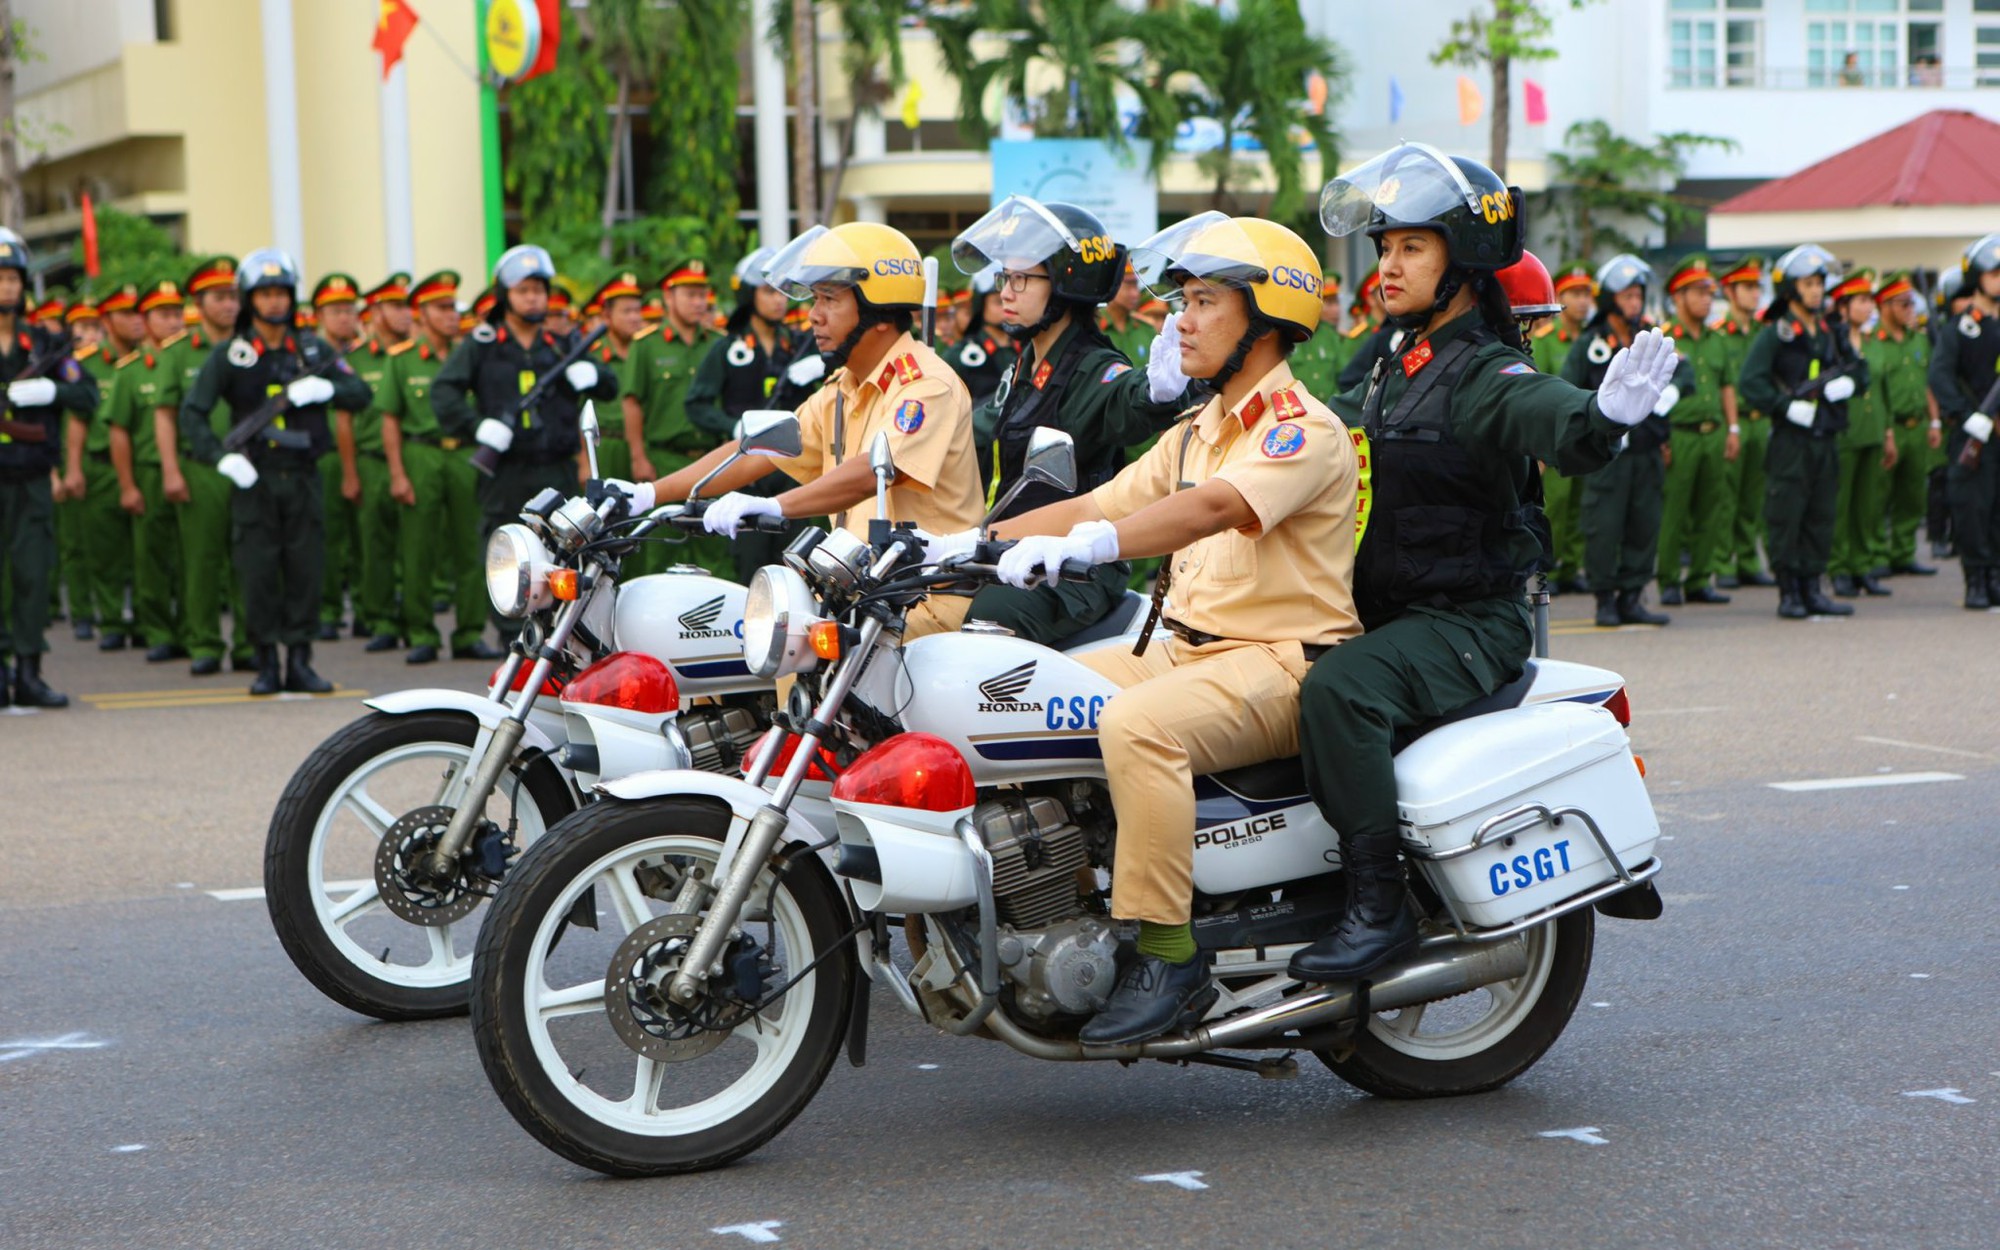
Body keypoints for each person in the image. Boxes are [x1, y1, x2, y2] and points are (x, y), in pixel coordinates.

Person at [1290, 143, 1673, 983]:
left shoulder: (1483, 371)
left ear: (1459, 264)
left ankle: (1377, 904)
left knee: (1340, 691)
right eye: (1385, 246)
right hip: (1397, 609)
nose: (1387, 265)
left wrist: (1600, 415)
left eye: (1410, 248)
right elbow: (1318, 430)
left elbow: (1548, 412)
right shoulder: (1398, 361)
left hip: (1466, 620)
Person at [987, 212, 1360, 1044]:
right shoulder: (1197, 428)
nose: (1178, 320)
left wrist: (1096, 546)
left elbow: (1212, 508)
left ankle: (1168, 952)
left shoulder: (1301, 427)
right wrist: (969, 543)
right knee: (1022, 702)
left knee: (1136, 726)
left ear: (1262, 320)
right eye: (1180, 300)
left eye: (1201, 302)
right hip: (1184, 651)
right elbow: (1094, 501)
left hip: (1280, 664)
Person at [630, 222, 983, 640]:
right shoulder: (842, 387)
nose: (813, 315)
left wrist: (774, 506)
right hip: (864, 594)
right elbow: (760, 450)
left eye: (829, 299)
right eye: (815, 299)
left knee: (791, 651)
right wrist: (650, 494)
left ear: (879, 313)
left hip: (924, 601)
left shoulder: (925, 385)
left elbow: (874, 472)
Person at [922, 195, 1187, 646]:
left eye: (1022, 279)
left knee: (988, 620)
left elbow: (1124, 402)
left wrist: (1157, 394)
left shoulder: (1090, 366)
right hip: (1007, 551)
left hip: (1075, 569)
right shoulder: (1025, 365)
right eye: (1006, 277)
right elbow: (977, 431)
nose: (1005, 291)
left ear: (1067, 283)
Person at [178, 249, 373, 694]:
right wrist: (221, 458)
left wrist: (327, 387)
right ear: (250, 299)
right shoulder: (233, 354)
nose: (274, 302)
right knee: (258, 569)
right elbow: (192, 413)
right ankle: (266, 660)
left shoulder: (312, 348)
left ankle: (300, 660)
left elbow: (359, 393)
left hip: (303, 474)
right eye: (264, 294)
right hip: (256, 477)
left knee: (305, 568)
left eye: (281, 293)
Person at [431, 244, 620, 635]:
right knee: (510, 559)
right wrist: (476, 426)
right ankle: (511, 643)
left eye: (539, 289)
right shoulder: (483, 344)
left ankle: (561, 643)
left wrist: (593, 377)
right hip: (507, 472)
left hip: (556, 470)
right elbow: (443, 394)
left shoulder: (562, 344)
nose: (534, 297)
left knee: (564, 559)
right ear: (505, 295)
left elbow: (610, 386)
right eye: (523, 290)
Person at [1737, 244, 1867, 619]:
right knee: (1787, 514)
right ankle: (1789, 591)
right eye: (1808, 284)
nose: (1816, 291)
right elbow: (1751, 382)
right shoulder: (1778, 332)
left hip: (1826, 437)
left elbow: (1860, 369)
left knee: (1821, 514)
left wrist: (1851, 385)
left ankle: (1813, 587)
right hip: (1791, 441)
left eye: (1819, 284)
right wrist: (1785, 406)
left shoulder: (1830, 329)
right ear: (1792, 289)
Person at [380, 271, 503, 665]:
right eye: (442, 308)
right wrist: (398, 473)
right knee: (419, 549)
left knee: (470, 546)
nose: (452, 315)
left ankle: (469, 632)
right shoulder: (402, 361)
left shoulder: (471, 352)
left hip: (466, 454)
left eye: (454, 307)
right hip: (422, 453)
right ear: (421, 313)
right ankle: (422, 633)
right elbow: (390, 420)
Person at [0, 234, 99, 707]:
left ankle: (29, 671)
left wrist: (51, 393)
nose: (6, 287)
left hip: (32, 479)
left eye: (13, 278)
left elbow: (88, 394)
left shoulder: (44, 344)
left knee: (33, 576)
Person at [686, 245, 823, 581]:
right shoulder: (726, 349)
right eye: (767, 291)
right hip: (746, 470)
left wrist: (822, 369)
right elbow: (697, 404)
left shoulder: (801, 345)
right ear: (749, 295)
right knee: (750, 568)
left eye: (781, 292)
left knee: (795, 566)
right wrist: (732, 426)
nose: (778, 300)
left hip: (791, 470)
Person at [155, 255, 250, 676]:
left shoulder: (251, 347)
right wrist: (171, 470)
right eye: (220, 297)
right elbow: (165, 414)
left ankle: (250, 643)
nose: (229, 305)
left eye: (233, 296)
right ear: (200, 302)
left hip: (248, 466)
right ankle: (205, 643)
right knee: (202, 559)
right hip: (200, 466)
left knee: (249, 558)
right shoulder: (179, 353)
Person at [1568, 253, 1673, 627]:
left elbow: (1678, 373)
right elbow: (1572, 390)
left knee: (1644, 523)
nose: (1635, 303)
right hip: (1608, 453)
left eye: (1638, 296)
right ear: (1611, 298)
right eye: (1627, 296)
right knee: (1604, 524)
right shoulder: (1591, 342)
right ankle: (1605, 599)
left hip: (1645, 450)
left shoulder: (1649, 336)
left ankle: (1633, 596)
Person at [619, 258, 722, 576]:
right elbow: (632, 402)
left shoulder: (718, 344)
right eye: (689, 294)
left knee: (714, 552)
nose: (698, 302)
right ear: (668, 297)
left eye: (701, 294)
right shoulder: (647, 346)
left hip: (713, 460)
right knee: (663, 551)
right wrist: (638, 456)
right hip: (665, 458)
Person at [1655, 256, 1740, 605]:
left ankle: (1701, 578)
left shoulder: (1717, 339)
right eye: (1699, 292)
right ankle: (1670, 579)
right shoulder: (1664, 339)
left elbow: (1726, 386)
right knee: (1675, 510)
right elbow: (1652, 392)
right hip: (1679, 433)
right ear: (1678, 296)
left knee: (1711, 509)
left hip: (1713, 432)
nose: (1707, 298)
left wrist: (1733, 428)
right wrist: (1660, 437)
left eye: (1709, 292)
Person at [1928, 232, 2000, 609]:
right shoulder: (1961, 327)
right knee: (1973, 507)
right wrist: (1965, 416)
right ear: (1977, 278)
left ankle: (1996, 577)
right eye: (1995, 273)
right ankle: (1976, 580)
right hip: (1975, 432)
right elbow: (1939, 376)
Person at [61, 298, 136, 653]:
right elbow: (77, 420)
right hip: (101, 463)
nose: (135, 320)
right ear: (108, 321)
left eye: (138, 313)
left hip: (143, 464)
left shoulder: (152, 361)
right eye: (126, 314)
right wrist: (72, 468)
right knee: (102, 550)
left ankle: (148, 622)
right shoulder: (88, 365)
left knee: (149, 550)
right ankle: (110, 620)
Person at [1826, 269, 1895, 598]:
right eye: (1862, 301)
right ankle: (1839, 566)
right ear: (1843, 306)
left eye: (1870, 301)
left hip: (1873, 431)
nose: (1869, 307)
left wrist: (1889, 432)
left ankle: (1862, 565)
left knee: (1868, 505)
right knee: (1841, 504)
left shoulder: (1873, 343)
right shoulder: (1833, 344)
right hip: (1844, 433)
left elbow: (1883, 390)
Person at [1866, 272, 1939, 577]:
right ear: (1884, 305)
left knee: (1912, 494)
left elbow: (1928, 384)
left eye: (1912, 304)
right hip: (1890, 425)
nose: (1910, 309)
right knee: (1878, 495)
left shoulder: (1918, 340)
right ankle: (1877, 554)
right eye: (1903, 304)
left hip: (1916, 425)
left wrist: (1934, 420)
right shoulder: (1873, 342)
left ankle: (1904, 552)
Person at [1534, 259, 1596, 593]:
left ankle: (1572, 568)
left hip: (1583, 439)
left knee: (1579, 507)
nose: (1583, 301)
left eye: (1587, 293)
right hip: (1555, 441)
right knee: (1554, 507)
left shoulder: (1592, 342)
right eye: (1575, 293)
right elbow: (1537, 395)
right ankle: (1551, 571)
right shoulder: (1545, 341)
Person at [1716, 255, 1775, 588]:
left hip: (1760, 421)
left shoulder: (1763, 334)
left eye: (1757, 288)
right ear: (1730, 292)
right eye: (1748, 288)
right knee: (1727, 498)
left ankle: (1749, 560)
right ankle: (1723, 564)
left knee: (1754, 496)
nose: (1755, 294)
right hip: (1732, 423)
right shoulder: (1720, 335)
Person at [582, 271, 647, 487]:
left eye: (637, 310)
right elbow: (578, 411)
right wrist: (583, 461)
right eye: (626, 311)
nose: (635, 318)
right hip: (606, 447)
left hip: (644, 446)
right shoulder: (593, 357)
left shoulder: (647, 351)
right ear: (607, 316)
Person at [1335, 270, 1392, 391]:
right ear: (1371, 299)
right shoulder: (1358, 337)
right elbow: (1347, 381)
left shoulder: (1399, 330)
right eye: (1383, 289)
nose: (1390, 292)